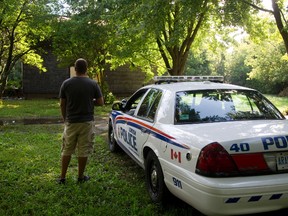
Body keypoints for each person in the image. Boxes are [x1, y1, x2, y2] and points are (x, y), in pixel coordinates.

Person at [58, 58, 104, 184]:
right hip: (86, 122)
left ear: (75, 69)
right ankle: (80, 177)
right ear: (86, 69)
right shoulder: (93, 84)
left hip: (71, 122)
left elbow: (62, 104)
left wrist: (64, 119)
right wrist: (90, 100)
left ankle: (62, 178)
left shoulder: (66, 84)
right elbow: (101, 102)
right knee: (83, 149)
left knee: (67, 149)